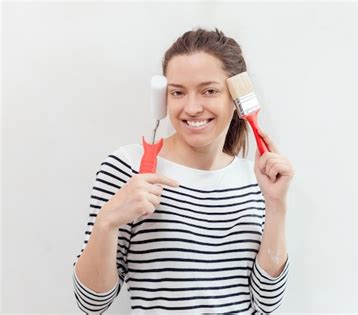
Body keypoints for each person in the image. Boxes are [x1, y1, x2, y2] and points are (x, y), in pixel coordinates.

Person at [72, 27, 294, 314]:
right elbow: (91, 303)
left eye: (209, 91)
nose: (192, 107)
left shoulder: (258, 179)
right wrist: (107, 222)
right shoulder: (129, 167)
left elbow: (268, 302)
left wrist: (276, 204)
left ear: (236, 98)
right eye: (178, 92)